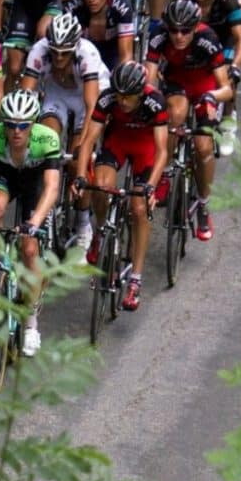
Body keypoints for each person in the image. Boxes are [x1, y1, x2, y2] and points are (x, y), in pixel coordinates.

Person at [0, 90, 62, 357]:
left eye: (23, 125)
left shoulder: (47, 138)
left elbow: (52, 187)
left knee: (30, 250)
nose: (16, 131)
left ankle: (32, 325)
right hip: (7, 173)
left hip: (35, 180)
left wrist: (33, 222)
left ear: (33, 123)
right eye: (9, 124)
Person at [72, 60, 169, 310]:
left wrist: (151, 186)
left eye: (128, 97)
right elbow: (89, 141)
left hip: (145, 148)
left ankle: (135, 278)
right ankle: (103, 232)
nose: (123, 102)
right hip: (118, 142)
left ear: (140, 92)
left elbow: (162, 151)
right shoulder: (107, 99)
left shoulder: (155, 101)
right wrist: (81, 176)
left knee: (138, 209)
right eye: (119, 96)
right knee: (100, 186)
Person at [21, 11, 111, 248]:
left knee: (77, 159)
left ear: (75, 46)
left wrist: (84, 143)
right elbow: (25, 96)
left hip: (87, 96)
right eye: (55, 51)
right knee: (46, 143)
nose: (59, 57)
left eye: (65, 52)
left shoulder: (87, 54)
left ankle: (83, 223)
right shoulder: (39, 51)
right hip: (57, 93)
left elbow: (93, 105)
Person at [145, 0, 233, 241]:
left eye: (185, 31)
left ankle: (203, 204)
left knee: (203, 146)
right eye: (173, 29)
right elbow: (150, 80)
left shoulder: (209, 39)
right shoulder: (158, 35)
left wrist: (211, 97)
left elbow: (226, 88)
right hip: (177, 83)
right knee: (173, 116)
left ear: (195, 28)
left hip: (205, 86)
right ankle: (164, 173)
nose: (179, 36)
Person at [171, 0, 241, 154]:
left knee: (230, 76)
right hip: (193, 41)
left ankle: (228, 119)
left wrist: (235, 67)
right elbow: (170, 28)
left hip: (224, 39)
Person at [61, 0, 136, 70]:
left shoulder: (122, 9)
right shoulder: (72, 7)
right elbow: (65, 50)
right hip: (83, 51)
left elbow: (126, 55)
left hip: (112, 51)